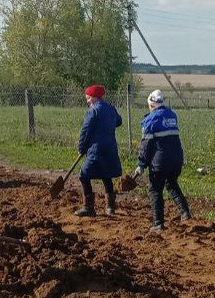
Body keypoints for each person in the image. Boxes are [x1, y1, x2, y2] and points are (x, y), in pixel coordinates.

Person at [132, 90, 190, 232]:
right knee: (171, 184)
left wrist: (141, 164)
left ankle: (158, 224)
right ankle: (185, 213)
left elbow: (146, 145)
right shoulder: (172, 115)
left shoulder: (150, 120)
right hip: (176, 159)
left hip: (160, 162)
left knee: (155, 189)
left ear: (151, 104)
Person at [75, 84, 123, 217]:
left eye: (88, 98)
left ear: (95, 97)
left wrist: (81, 148)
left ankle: (88, 207)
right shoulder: (111, 109)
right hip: (110, 148)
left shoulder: (93, 111)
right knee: (106, 175)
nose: (87, 101)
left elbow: (85, 131)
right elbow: (119, 122)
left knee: (83, 175)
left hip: (96, 150)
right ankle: (110, 208)